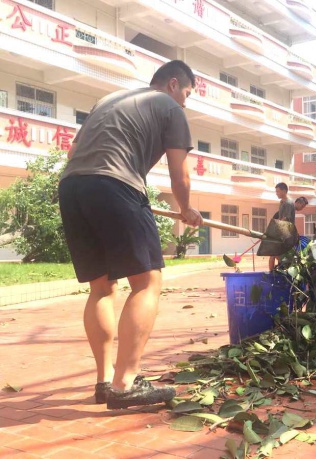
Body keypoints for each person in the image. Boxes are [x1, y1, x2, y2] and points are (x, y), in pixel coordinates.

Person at [58, 60, 203, 409]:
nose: (185, 101)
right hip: (115, 184)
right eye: (186, 93)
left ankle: (104, 380)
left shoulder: (111, 98)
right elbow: (179, 176)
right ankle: (125, 386)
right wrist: (186, 210)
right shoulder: (171, 109)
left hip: (72, 186)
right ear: (173, 84)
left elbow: (74, 152)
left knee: (102, 287)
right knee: (147, 282)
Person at [268, 185, 307, 270]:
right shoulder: (284, 202)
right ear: (298, 203)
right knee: (274, 253)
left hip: (284, 232)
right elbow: (282, 218)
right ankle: (276, 270)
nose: (276, 193)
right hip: (282, 231)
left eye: (277, 191)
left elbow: (286, 219)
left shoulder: (288, 203)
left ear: (284, 191)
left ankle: (279, 269)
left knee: (275, 253)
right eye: (276, 191)